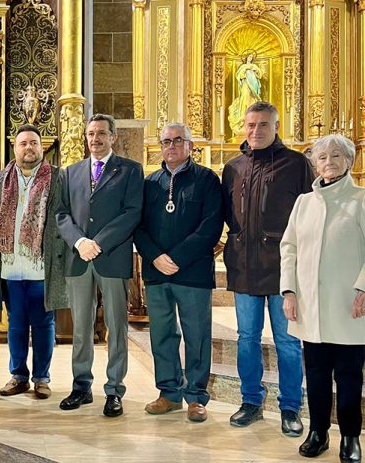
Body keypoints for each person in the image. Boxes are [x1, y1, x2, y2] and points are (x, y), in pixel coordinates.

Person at [221, 101, 313, 435]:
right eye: (250, 125)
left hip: (283, 269)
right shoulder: (233, 167)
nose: (255, 131)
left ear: (276, 126)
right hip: (244, 267)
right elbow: (230, 216)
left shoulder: (296, 164)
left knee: (287, 342)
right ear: (242, 127)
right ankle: (250, 401)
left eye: (263, 125)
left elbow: (309, 214)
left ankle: (290, 407)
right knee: (247, 338)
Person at [280, 134, 365, 462]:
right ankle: (318, 432)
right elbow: (288, 247)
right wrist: (289, 290)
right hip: (310, 307)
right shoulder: (304, 202)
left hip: (349, 307)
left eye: (336, 156)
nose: (328, 163)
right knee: (315, 374)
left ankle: (350, 437)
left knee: (348, 376)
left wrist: (363, 287)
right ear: (314, 163)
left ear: (349, 161)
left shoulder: (360, 199)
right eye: (322, 157)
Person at [55, 113, 144, 416]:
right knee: (81, 327)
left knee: (116, 326)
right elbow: (62, 214)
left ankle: (114, 390)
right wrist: (80, 242)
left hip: (112, 256)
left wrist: (99, 242)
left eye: (102, 133)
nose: (95, 139)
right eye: (91, 134)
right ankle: (81, 386)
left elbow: (132, 212)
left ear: (113, 136)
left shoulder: (130, 171)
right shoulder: (70, 172)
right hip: (79, 258)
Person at [134, 122, 223, 422]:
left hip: (193, 272)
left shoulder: (207, 180)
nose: (171, 146)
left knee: (196, 335)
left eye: (177, 141)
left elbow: (210, 227)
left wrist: (177, 257)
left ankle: (196, 397)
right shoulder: (150, 183)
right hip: (157, 273)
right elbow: (138, 226)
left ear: (189, 146)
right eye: (166, 141)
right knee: (162, 334)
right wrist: (156, 256)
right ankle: (168, 393)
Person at [0, 124, 67, 400]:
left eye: (34, 143)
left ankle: (42, 378)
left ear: (41, 147)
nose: (29, 148)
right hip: (10, 265)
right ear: (15, 147)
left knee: (44, 323)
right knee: (16, 324)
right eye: (23, 143)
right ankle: (18, 376)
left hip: (41, 266)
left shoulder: (58, 178)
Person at [228, 52, 263, 138]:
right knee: (244, 100)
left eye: (252, 57)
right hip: (246, 86)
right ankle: (242, 119)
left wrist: (255, 70)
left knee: (253, 102)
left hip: (254, 86)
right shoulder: (243, 67)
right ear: (246, 58)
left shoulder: (254, 67)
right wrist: (245, 70)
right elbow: (239, 75)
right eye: (249, 56)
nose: (250, 58)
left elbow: (260, 75)